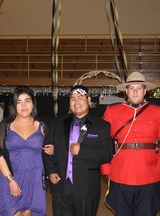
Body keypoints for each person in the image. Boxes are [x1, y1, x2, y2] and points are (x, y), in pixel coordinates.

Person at [101, 71, 160, 216]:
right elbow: (104, 143)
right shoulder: (112, 112)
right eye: (131, 88)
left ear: (145, 91)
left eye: (139, 88)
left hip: (149, 173)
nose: (135, 91)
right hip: (121, 173)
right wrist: (106, 168)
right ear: (126, 91)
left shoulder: (158, 112)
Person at [43, 85, 113, 216]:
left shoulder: (101, 126)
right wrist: (51, 171)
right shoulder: (58, 123)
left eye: (80, 98)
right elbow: (47, 148)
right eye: (72, 99)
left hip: (86, 187)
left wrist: (82, 151)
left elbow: (107, 154)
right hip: (61, 185)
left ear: (89, 100)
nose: (76, 102)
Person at [0, 86, 53, 216]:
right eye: (19, 102)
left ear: (33, 103)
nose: (23, 105)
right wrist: (10, 180)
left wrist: (52, 149)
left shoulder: (42, 126)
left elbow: (49, 149)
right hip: (11, 177)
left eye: (27, 101)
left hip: (34, 179)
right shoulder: (6, 125)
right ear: (13, 105)